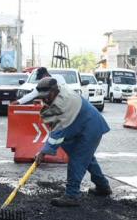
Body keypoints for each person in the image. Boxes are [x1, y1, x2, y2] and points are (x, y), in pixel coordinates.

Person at [33, 77, 112, 207]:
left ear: (54, 90)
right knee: (87, 160)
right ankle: (103, 187)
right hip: (82, 125)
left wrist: (43, 152)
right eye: (42, 97)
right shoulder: (60, 92)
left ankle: (72, 195)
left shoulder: (64, 103)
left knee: (77, 159)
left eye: (47, 96)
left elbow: (57, 133)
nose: (44, 99)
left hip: (90, 128)